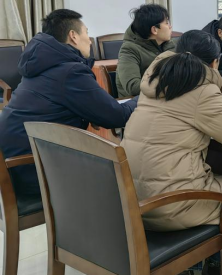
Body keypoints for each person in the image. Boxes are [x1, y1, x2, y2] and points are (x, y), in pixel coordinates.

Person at [120, 30, 222, 275]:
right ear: (215, 62)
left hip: (131, 198)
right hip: (168, 203)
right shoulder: (201, 89)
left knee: (201, 179)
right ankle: (216, 268)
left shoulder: (154, 79)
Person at [0, 10, 137, 196]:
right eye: (86, 32)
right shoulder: (70, 71)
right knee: (128, 172)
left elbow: (52, 106)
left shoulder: (40, 64)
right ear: (73, 36)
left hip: (16, 167)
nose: (90, 40)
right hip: (36, 169)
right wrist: (145, 97)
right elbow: (117, 117)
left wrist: (89, 113)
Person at [116, 4, 176, 97]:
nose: (170, 26)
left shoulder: (170, 45)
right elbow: (133, 87)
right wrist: (174, 85)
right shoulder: (129, 49)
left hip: (164, 98)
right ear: (155, 29)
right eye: (167, 23)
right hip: (137, 102)